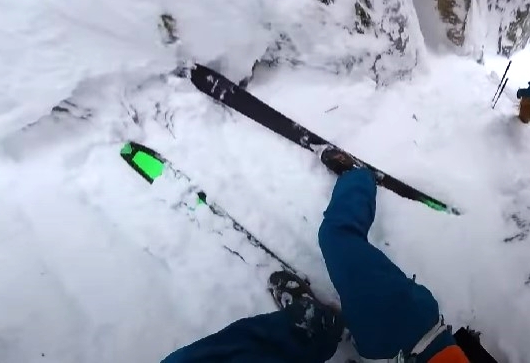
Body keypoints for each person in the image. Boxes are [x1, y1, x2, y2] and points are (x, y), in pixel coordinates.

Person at [161, 149, 490, 363]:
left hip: (393, 346)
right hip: (405, 330)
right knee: (336, 237)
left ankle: (314, 328)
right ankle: (358, 179)